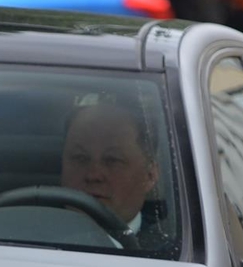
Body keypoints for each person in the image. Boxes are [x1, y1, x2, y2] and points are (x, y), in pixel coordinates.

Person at [59, 102, 166, 248]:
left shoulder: (176, 255)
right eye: (80, 157)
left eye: (112, 160)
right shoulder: (23, 237)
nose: (93, 175)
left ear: (150, 175)